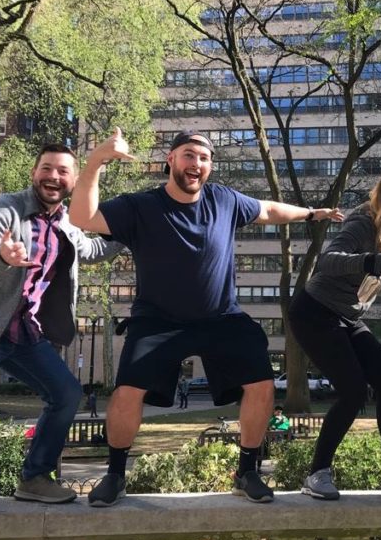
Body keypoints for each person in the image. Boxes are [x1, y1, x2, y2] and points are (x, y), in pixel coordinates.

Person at [68, 128, 342, 506]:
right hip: (158, 321)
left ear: (210, 166)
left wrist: (311, 213)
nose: (196, 164)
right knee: (127, 392)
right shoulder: (140, 206)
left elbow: (267, 210)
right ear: (171, 159)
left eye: (203, 158)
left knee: (262, 384)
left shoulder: (225, 200)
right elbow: (82, 216)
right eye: (188, 155)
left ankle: (247, 471)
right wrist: (97, 159)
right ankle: (115, 475)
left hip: (220, 318)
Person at [0, 139, 121, 511]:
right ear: (34, 173)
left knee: (65, 394)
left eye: (63, 171)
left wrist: (129, 233)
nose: (53, 177)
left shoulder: (67, 222)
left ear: (74, 181)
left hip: (22, 331)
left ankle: (35, 477)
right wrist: (2, 254)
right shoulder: (3, 209)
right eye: (46, 168)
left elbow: (93, 251)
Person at [288, 167, 381, 502]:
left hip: (347, 316)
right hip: (314, 312)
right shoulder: (362, 223)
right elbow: (328, 260)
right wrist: (366, 261)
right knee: (353, 391)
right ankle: (317, 474)